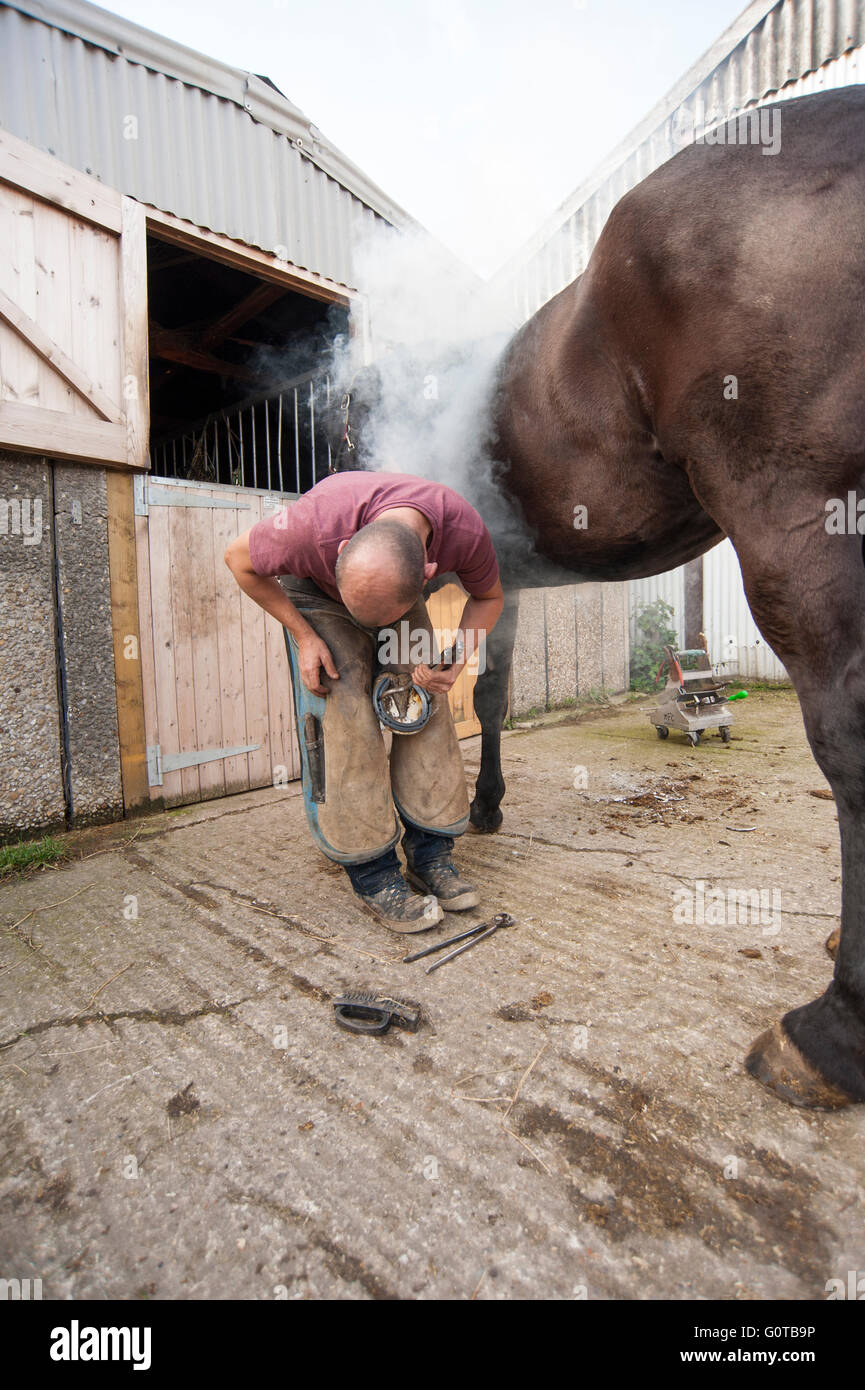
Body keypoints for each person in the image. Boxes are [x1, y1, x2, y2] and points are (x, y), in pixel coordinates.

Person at [224, 470, 504, 932]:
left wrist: (454, 660)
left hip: (393, 595)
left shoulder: (464, 531)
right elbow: (237, 560)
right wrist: (304, 635)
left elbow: (488, 597)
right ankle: (372, 873)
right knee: (346, 715)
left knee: (421, 706)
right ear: (340, 550)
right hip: (318, 596)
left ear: (429, 575)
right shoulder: (309, 528)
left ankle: (430, 852)